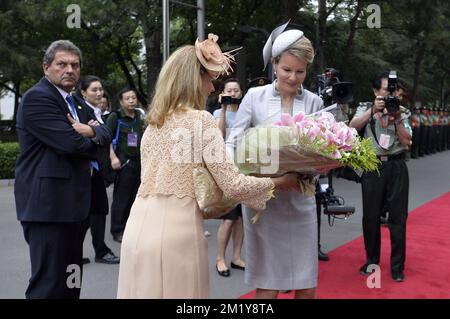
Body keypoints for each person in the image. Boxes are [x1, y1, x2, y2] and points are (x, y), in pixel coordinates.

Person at [116, 34, 299, 299]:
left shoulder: (153, 126)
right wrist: (283, 181)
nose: (213, 88)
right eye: (210, 79)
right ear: (194, 78)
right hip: (177, 233)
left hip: (137, 228)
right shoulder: (201, 121)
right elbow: (234, 185)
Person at [226, 27, 324, 299]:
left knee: (306, 280)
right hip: (263, 201)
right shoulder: (254, 97)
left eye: (301, 71)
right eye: (287, 70)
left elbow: (322, 150)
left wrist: (320, 166)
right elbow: (233, 142)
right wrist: (230, 177)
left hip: (300, 197)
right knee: (267, 279)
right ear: (274, 64)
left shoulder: (314, 102)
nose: (293, 77)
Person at [15, 40, 111, 298]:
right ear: (46, 67)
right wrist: (93, 137)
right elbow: (71, 144)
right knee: (49, 285)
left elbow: (104, 130)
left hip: (74, 208)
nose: (69, 70)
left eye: (75, 65)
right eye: (62, 64)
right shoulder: (38, 98)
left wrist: (92, 131)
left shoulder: (75, 102)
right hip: (49, 209)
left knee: (70, 280)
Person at [349, 71, 412, 282]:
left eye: (392, 90)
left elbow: (407, 142)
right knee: (370, 217)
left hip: (396, 166)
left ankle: (397, 267)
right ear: (376, 91)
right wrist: (372, 110)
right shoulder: (365, 107)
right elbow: (351, 128)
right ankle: (371, 261)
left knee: (398, 218)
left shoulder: (402, 111)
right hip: (372, 166)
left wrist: (397, 120)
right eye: (386, 90)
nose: (390, 94)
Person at [74, 75, 120, 264]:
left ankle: (99, 250)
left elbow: (105, 136)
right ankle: (79, 252)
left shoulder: (98, 112)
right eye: (94, 90)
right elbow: (85, 138)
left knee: (98, 210)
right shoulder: (81, 111)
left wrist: (95, 132)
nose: (99, 93)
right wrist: (95, 133)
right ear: (83, 92)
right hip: (86, 170)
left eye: (100, 89)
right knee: (85, 213)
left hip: (97, 169)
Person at [212, 78, 246, 277]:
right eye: (229, 90)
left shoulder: (246, 112)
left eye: (235, 90)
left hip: (245, 168)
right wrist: (223, 109)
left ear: (241, 93)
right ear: (223, 92)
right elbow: (219, 135)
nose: (232, 93)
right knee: (228, 218)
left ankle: (236, 256)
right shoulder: (217, 113)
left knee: (241, 218)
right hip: (227, 169)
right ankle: (220, 258)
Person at [106, 88, 144, 243]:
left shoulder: (139, 117)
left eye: (133, 98)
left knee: (135, 198)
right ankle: (117, 230)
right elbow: (106, 138)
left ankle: (131, 228)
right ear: (121, 101)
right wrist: (113, 157)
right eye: (127, 98)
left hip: (138, 162)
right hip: (123, 163)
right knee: (121, 199)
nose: (131, 101)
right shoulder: (115, 117)